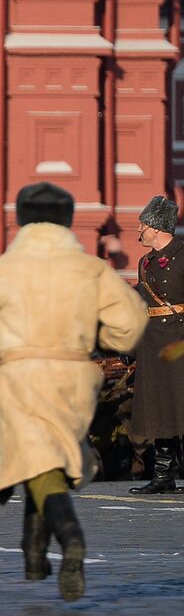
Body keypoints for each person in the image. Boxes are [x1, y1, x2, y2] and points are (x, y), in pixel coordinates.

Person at [0, 182, 147, 601]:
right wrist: (99, 338)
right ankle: (34, 550)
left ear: (22, 218)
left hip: (22, 372)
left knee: (36, 457)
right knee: (43, 457)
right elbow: (129, 326)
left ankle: (70, 537)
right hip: (75, 374)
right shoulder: (91, 269)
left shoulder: (4, 270)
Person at [127, 195, 184, 494]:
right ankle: (164, 476)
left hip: (180, 341)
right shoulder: (145, 262)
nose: (139, 229)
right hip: (153, 343)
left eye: (143, 225)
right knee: (160, 407)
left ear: (157, 228)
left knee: (181, 404)